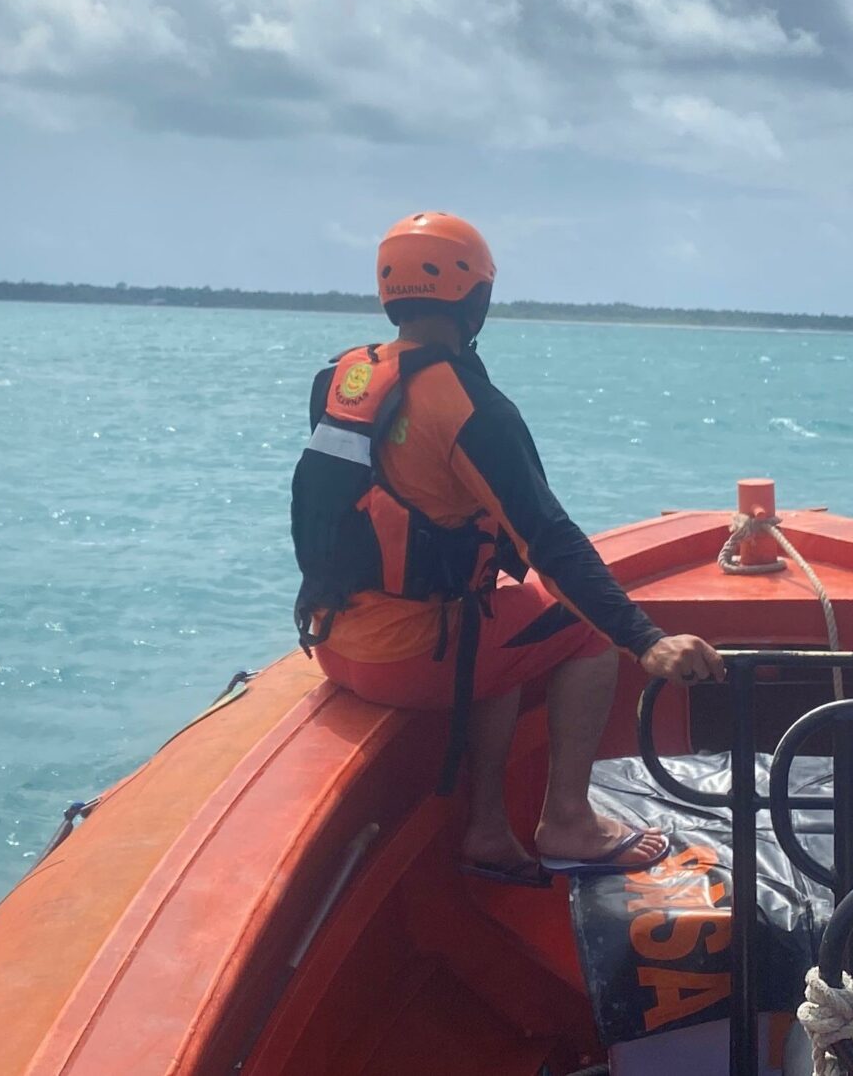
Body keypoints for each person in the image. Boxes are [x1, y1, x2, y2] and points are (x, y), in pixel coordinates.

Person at [290, 211, 725, 884]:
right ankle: (568, 821)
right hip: (406, 660)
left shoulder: (343, 378)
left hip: (331, 640)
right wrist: (644, 640)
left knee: (503, 605)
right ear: (476, 298)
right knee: (582, 632)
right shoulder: (471, 407)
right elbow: (549, 538)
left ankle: (489, 828)